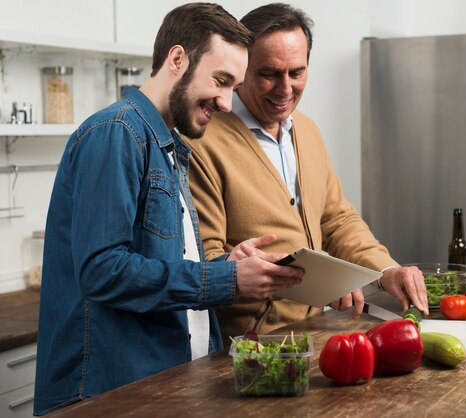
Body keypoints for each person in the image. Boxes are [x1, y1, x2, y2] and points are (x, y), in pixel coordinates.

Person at [33, 3, 303, 415]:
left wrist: (229, 263)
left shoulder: (169, 147)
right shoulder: (117, 132)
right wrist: (225, 279)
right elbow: (101, 271)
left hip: (158, 386)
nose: (228, 103)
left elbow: (159, 262)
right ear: (178, 59)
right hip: (104, 394)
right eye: (221, 80)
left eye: (234, 86)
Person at [185, 3, 430, 342]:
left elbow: (337, 220)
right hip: (247, 347)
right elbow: (207, 260)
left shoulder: (307, 130)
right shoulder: (202, 143)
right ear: (241, 70)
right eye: (269, 73)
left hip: (313, 333)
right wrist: (315, 283)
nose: (285, 90)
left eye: (296, 72)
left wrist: (385, 270)